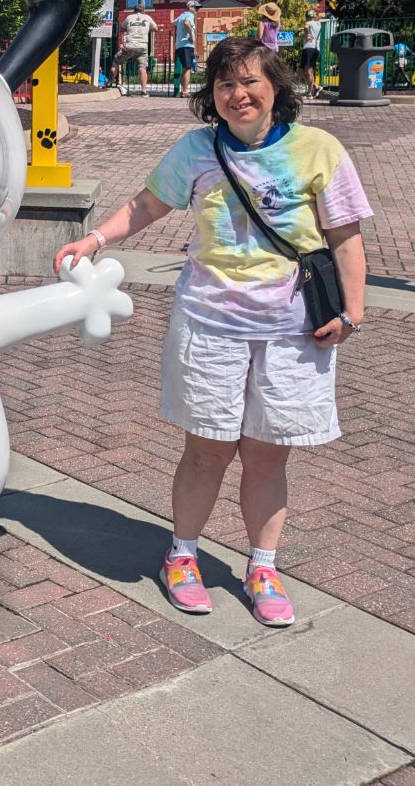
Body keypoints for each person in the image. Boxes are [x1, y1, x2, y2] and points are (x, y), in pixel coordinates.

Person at [53, 35, 370, 628]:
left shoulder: (318, 149)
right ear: (211, 95)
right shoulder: (197, 150)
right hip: (210, 321)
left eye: (250, 81)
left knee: (269, 454)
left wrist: (353, 309)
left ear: (276, 86)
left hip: (292, 328)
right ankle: (183, 555)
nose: (238, 94)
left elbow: (345, 235)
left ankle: (264, 566)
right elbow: (148, 205)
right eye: (225, 84)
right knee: (207, 449)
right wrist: (94, 239)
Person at [111, 3, 157, 95]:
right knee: (142, 68)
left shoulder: (129, 17)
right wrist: (146, 29)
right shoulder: (147, 17)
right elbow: (156, 28)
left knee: (116, 61)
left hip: (129, 46)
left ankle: (110, 82)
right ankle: (144, 91)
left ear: (134, 10)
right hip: (142, 47)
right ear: (143, 10)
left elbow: (122, 28)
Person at [174, 0, 199, 98]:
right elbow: (187, 23)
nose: (197, 10)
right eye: (196, 8)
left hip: (179, 45)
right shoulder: (190, 15)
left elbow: (174, 22)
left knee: (185, 68)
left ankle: (181, 90)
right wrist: (191, 36)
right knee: (187, 68)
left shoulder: (181, 16)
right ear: (190, 7)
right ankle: (185, 91)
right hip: (186, 45)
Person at [300, 8, 323, 100]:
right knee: (307, 70)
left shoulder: (309, 23)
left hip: (309, 47)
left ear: (307, 16)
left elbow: (306, 27)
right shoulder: (318, 24)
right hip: (316, 48)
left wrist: (306, 36)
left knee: (307, 70)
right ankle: (315, 87)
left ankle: (310, 92)